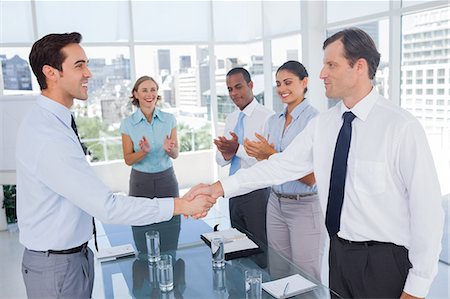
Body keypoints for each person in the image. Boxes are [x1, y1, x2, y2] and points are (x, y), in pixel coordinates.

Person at [188, 28, 444, 299]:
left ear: (359, 66)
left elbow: (427, 211)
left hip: (384, 261)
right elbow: (280, 166)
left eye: (331, 64)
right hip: (339, 255)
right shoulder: (324, 124)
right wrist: (218, 188)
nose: (322, 73)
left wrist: (417, 287)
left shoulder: (401, 127)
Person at [16, 32, 213, 299]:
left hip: (71, 258)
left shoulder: (54, 122)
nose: (88, 73)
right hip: (57, 267)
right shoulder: (48, 134)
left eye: (86, 64)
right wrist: (181, 204)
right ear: (50, 72)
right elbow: (107, 207)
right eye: (79, 65)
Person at [243, 60, 325, 281]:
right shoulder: (273, 122)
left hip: (304, 206)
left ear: (304, 82)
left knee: (305, 276)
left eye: (287, 82)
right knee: (278, 271)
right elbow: (273, 168)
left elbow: (313, 178)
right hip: (275, 202)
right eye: (278, 84)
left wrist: (270, 153)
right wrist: (259, 155)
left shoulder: (316, 121)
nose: (281, 89)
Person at [120, 76, 181, 255]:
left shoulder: (169, 119)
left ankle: (171, 274)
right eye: (145, 90)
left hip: (167, 180)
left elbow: (175, 154)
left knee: (171, 232)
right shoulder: (128, 124)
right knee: (142, 234)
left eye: (153, 90)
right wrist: (143, 151)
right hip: (140, 183)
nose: (150, 94)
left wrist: (169, 149)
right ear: (136, 94)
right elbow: (128, 159)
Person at [214, 67, 273, 245]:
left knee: (259, 247)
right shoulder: (231, 118)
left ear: (251, 85)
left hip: (256, 193)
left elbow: (267, 160)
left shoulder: (267, 117)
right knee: (239, 246)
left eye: (238, 87)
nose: (233, 93)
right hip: (233, 191)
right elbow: (221, 160)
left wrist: (237, 148)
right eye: (230, 89)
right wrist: (225, 153)